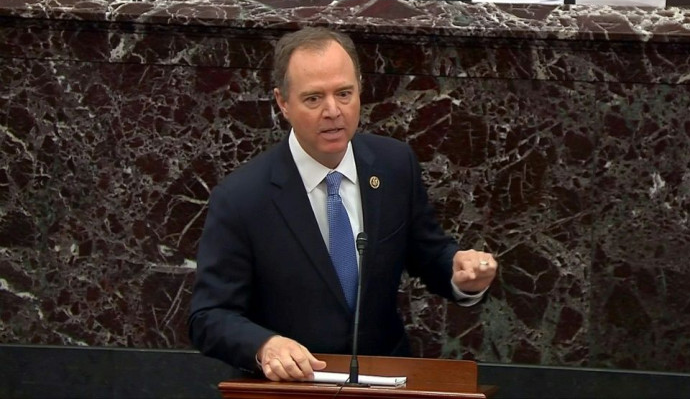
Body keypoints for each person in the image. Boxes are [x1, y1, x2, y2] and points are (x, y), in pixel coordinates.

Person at [188, 26, 497, 382]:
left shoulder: (394, 165)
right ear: (282, 103)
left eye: (344, 93)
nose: (333, 111)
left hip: (386, 379)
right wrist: (265, 346)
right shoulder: (243, 197)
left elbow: (429, 254)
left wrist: (463, 274)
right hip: (292, 387)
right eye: (313, 99)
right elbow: (209, 316)